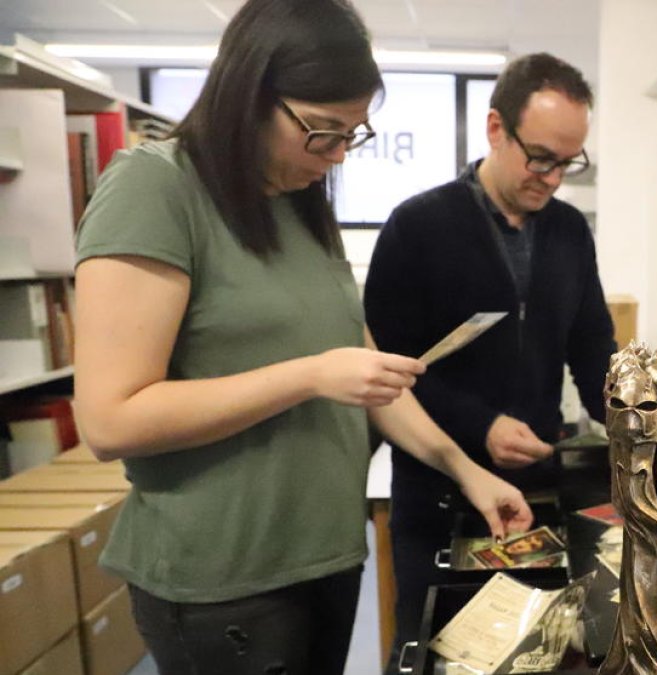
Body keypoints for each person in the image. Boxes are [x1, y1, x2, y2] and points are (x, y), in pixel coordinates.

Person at [71, 1, 531, 673]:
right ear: (250, 93)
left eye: (353, 133)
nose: (339, 154)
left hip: (323, 555)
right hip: (225, 577)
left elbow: (369, 377)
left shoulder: (297, 200)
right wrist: (310, 375)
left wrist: (466, 471)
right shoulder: (155, 188)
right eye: (322, 132)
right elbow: (109, 419)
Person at [363, 52, 616, 657]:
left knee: (541, 653)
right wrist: (481, 426)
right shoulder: (416, 227)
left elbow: (591, 347)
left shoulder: (569, 232)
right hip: (438, 496)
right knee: (439, 653)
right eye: (542, 158)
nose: (554, 178)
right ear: (496, 128)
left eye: (569, 163)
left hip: (538, 496)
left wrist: (633, 416)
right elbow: (386, 377)